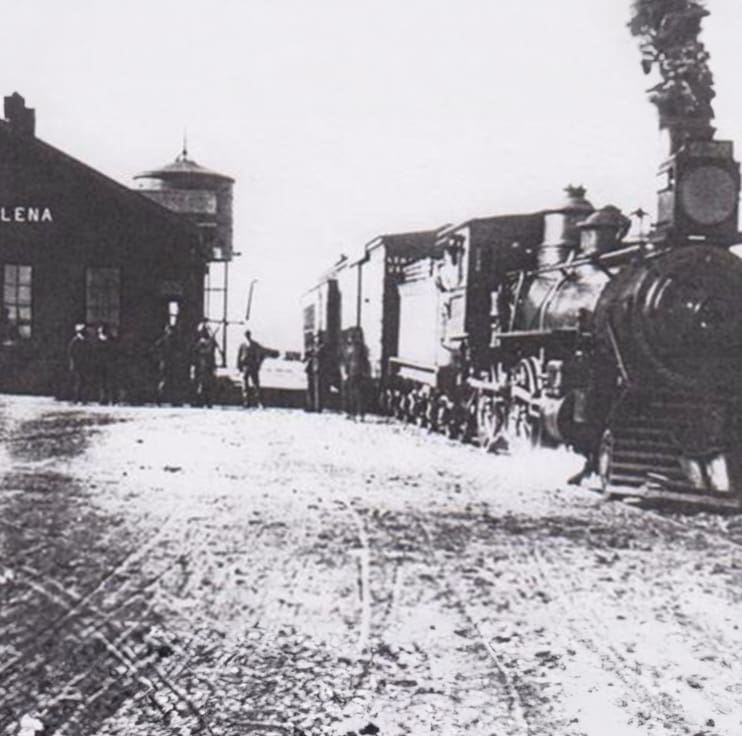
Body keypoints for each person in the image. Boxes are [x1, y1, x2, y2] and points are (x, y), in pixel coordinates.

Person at [236, 329, 278, 408]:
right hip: (245, 366)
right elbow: (239, 356)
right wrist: (238, 366)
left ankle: (259, 401)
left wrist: (258, 364)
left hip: (253, 366)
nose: (247, 336)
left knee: (256, 384)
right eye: (246, 335)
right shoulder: (242, 345)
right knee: (245, 385)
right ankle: (246, 401)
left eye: (248, 335)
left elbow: (262, 352)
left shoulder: (255, 345)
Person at [341, 328, 370, 421]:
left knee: (355, 394)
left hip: (355, 373)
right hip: (354, 373)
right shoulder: (360, 348)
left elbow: (346, 361)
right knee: (354, 394)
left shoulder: (352, 348)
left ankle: (355, 413)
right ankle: (355, 413)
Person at [152, 323, 183, 405]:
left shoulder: (166, 339)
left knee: (169, 381)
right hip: (167, 362)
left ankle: (161, 399)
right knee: (166, 381)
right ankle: (160, 398)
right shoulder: (169, 340)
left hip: (168, 362)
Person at [191, 322, 218, 408]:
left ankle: (207, 401)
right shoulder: (201, 342)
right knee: (200, 383)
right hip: (201, 365)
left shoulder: (208, 342)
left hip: (207, 365)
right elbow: (196, 352)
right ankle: (201, 401)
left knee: (207, 384)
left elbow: (210, 352)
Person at [67, 323, 91, 403]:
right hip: (77, 365)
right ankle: (76, 399)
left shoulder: (86, 342)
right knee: (78, 382)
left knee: (84, 382)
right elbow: (71, 353)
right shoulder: (75, 341)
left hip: (85, 365)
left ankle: (84, 399)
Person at [304, 333, 328, 412]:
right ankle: (310, 405)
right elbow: (306, 357)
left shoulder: (323, 348)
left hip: (319, 371)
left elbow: (320, 357)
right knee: (311, 389)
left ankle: (317, 407)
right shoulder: (312, 348)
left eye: (317, 338)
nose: (315, 340)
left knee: (318, 390)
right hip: (311, 370)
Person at [91, 324, 114, 405]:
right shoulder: (110, 341)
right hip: (104, 364)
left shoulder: (98, 342)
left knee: (105, 383)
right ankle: (107, 399)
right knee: (105, 382)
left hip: (105, 364)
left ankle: (106, 399)